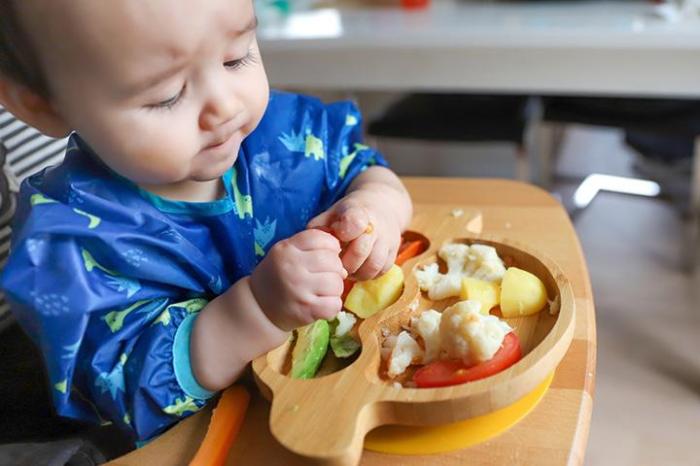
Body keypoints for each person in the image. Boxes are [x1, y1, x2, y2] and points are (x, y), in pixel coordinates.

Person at [0, 0, 412, 443]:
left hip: (347, 404)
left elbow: (360, 165)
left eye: (236, 57)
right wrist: (256, 310)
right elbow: (127, 388)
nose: (225, 107)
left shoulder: (284, 135)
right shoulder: (70, 245)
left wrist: (375, 208)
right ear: (43, 107)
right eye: (166, 96)